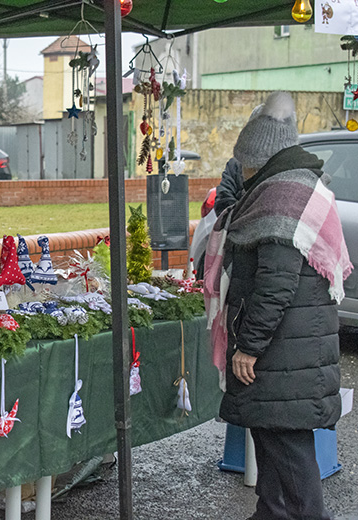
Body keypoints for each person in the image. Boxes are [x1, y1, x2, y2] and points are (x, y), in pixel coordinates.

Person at [204, 91, 353, 520]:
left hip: (283, 349)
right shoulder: (294, 187)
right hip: (292, 347)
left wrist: (249, 345)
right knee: (271, 437)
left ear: (263, 156)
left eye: (247, 159)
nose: (244, 169)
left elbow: (275, 285)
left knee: (288, 449)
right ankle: (269, 513)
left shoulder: (281, 197)